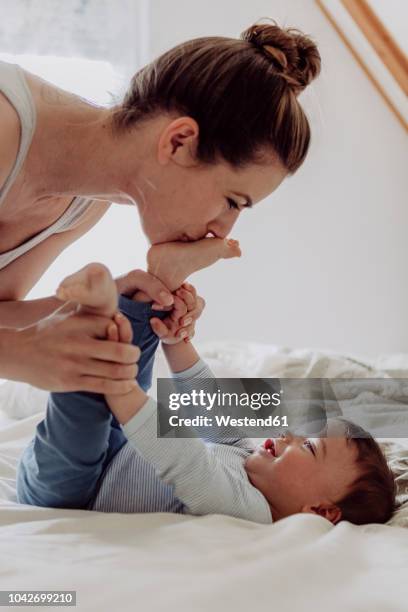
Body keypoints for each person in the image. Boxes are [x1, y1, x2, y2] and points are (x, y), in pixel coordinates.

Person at [0, 21, 321, 392]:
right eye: (232, 202)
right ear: (179, 141)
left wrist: (107, 304)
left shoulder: (85, 203)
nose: (223, 230)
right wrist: (24, 354)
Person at [17, 245, 396, 526]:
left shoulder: (247, 509)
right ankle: (154, 296)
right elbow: (208, 402)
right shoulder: (249, 463)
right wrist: (177, 339)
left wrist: (120, 387)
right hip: (118, 450)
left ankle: (98, 312)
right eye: (298, 432)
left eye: (309, 447)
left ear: (319, 511)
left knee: (88, 395)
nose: (287, 435)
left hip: (70, 491)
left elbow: (187, 463)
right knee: (139, 357)